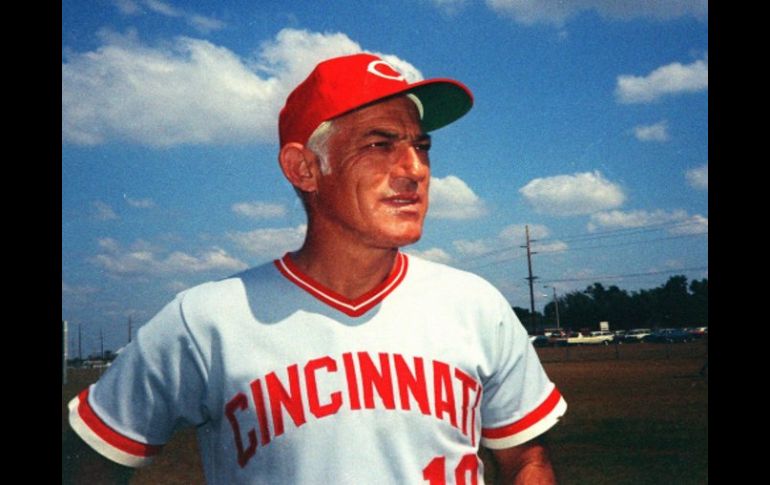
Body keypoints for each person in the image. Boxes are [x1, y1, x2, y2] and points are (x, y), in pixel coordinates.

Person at [63, 53, 567, 484]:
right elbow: (91, 457)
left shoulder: (475, 305)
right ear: (305, 168)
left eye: (421, 146)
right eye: (380, 144)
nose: (414, 169)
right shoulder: (204, 321)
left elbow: (525, 456)